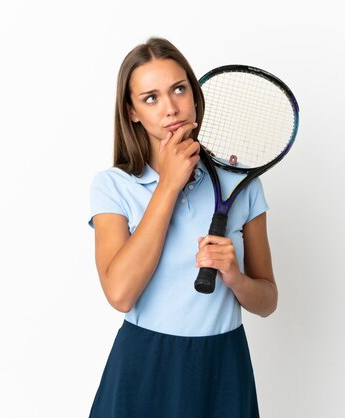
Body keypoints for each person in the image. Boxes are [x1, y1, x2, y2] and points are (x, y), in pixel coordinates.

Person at [88, 37, 277, 418]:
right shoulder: (113, 186)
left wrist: (234, 277)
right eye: (151, 98)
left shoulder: (240, 184)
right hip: (145, 365)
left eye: (179, 89)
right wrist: (169, 185)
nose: (171, 108)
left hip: (223, 366)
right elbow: (120, 294)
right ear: (133, 113)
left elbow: (268, 301)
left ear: (194, 93)